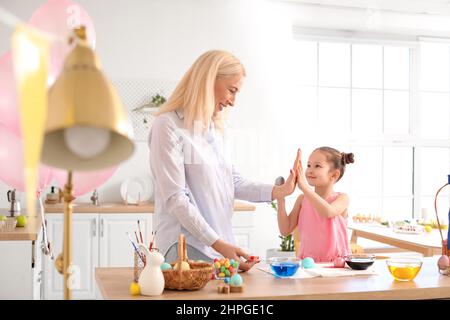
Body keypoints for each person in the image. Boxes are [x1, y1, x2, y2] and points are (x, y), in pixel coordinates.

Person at [148, 50, 296, 271]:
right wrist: (220, 245)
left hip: (216, 247)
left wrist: (279, 191)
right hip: (185, 246)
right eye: (231, 90)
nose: (233, 101)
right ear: (208, 81)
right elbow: (176, 199)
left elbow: (233, 182)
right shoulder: (168, 126)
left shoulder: (213, 130)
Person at [275, 147, 354, 262]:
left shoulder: (342, 198)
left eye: (317, 166)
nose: (310, 170)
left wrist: (305, 187)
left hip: (336, 265)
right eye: (308, 165)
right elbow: (285, 230)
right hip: (307, 264)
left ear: (334, 175)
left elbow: (328, 212)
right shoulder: (302, 200)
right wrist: (280, 197)